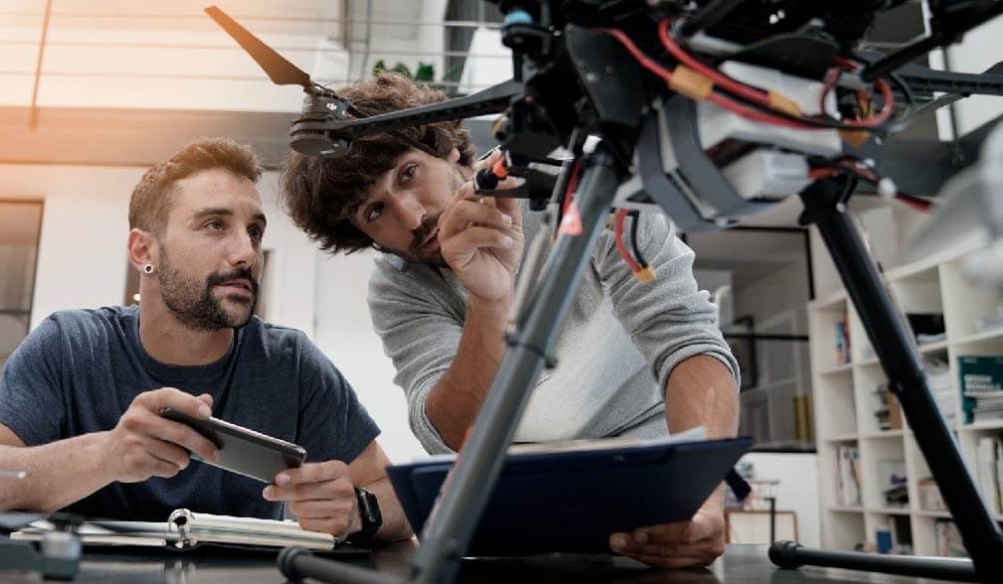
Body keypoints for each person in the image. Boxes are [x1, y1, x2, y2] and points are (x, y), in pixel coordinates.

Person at [280, 73, 739, 567]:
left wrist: (702, 497)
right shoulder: (399, 285)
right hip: (515, 484)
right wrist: (490, 298)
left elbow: (687, 338)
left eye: (409, 174)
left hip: (647, 464)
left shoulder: (586, 188)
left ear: (452, 151)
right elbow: (451, 434)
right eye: (375, 211)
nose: (411, 217)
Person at [0, 138, 412, 545]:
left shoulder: (290, 363)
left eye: (254, 230)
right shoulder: (71, 345)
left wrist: (357, 511)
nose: (246, 252)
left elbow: (397, 502)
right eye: (215, 225)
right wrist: (106, 455)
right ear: (144, 250)